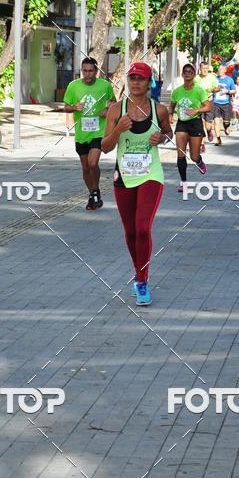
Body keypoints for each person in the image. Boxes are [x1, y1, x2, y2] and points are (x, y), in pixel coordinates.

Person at [101, 62, 172, 306]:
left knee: (142, 228)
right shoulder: (116, 110)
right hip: (124, 175)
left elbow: (168, 132)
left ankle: (142, 281)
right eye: (132, 78)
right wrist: (118, 130)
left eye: (140, 78)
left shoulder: (159, 110)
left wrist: (161, 137)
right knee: (131, 231)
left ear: (149, 82)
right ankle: (138, 270)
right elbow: (105, 147)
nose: (135, 82)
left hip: (151, 174)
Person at [63, 57, 115, 210]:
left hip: (98, 131)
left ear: (96, 71)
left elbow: (114, 102)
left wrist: (108, 109)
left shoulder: (105, 85)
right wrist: (74, 107)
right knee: (86, 167)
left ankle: (96, 190)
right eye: (84, 71)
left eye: (90, 71)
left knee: (93, 163)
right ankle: (93, 193)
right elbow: (65, 107)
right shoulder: (73, 86)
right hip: (81, 133)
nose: (87, 74)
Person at [169, 63, 211, 192]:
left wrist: (196, 110)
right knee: (181, 154)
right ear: (182, 74)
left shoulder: (199, 90)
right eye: (185, 71)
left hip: (195, 123)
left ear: (193, 75)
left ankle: (199, 162)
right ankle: (183, 182)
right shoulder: (177, 91)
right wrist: (170, 114)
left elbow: (208, 107)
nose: (187, 73)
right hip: (182, 123)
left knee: (194, 156)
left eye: (190, 72)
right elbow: (172, 105)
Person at [212, 65, 235, 145]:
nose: (220, 70)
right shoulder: (215, 79)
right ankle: (218, 139)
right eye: (219, 69)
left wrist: (227, 91)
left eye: (222, 69)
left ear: (225, 70)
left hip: (226, 104)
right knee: (216, 121)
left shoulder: (229, 79)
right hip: (216, 103)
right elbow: (211, 89)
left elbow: (234, 91)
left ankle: (226, 127)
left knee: (226, 123)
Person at [195, 61, 218, 142]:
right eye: (203, 68)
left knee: (208, 124)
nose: (205, 70)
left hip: (209, 101)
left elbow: (218, 88)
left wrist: (212, 89)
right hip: (198, 102)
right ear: (200, 69)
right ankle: (201, 143)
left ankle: (209, 131)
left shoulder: (212, 77)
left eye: (206, 68)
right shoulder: (195, 78)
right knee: (198, 122)